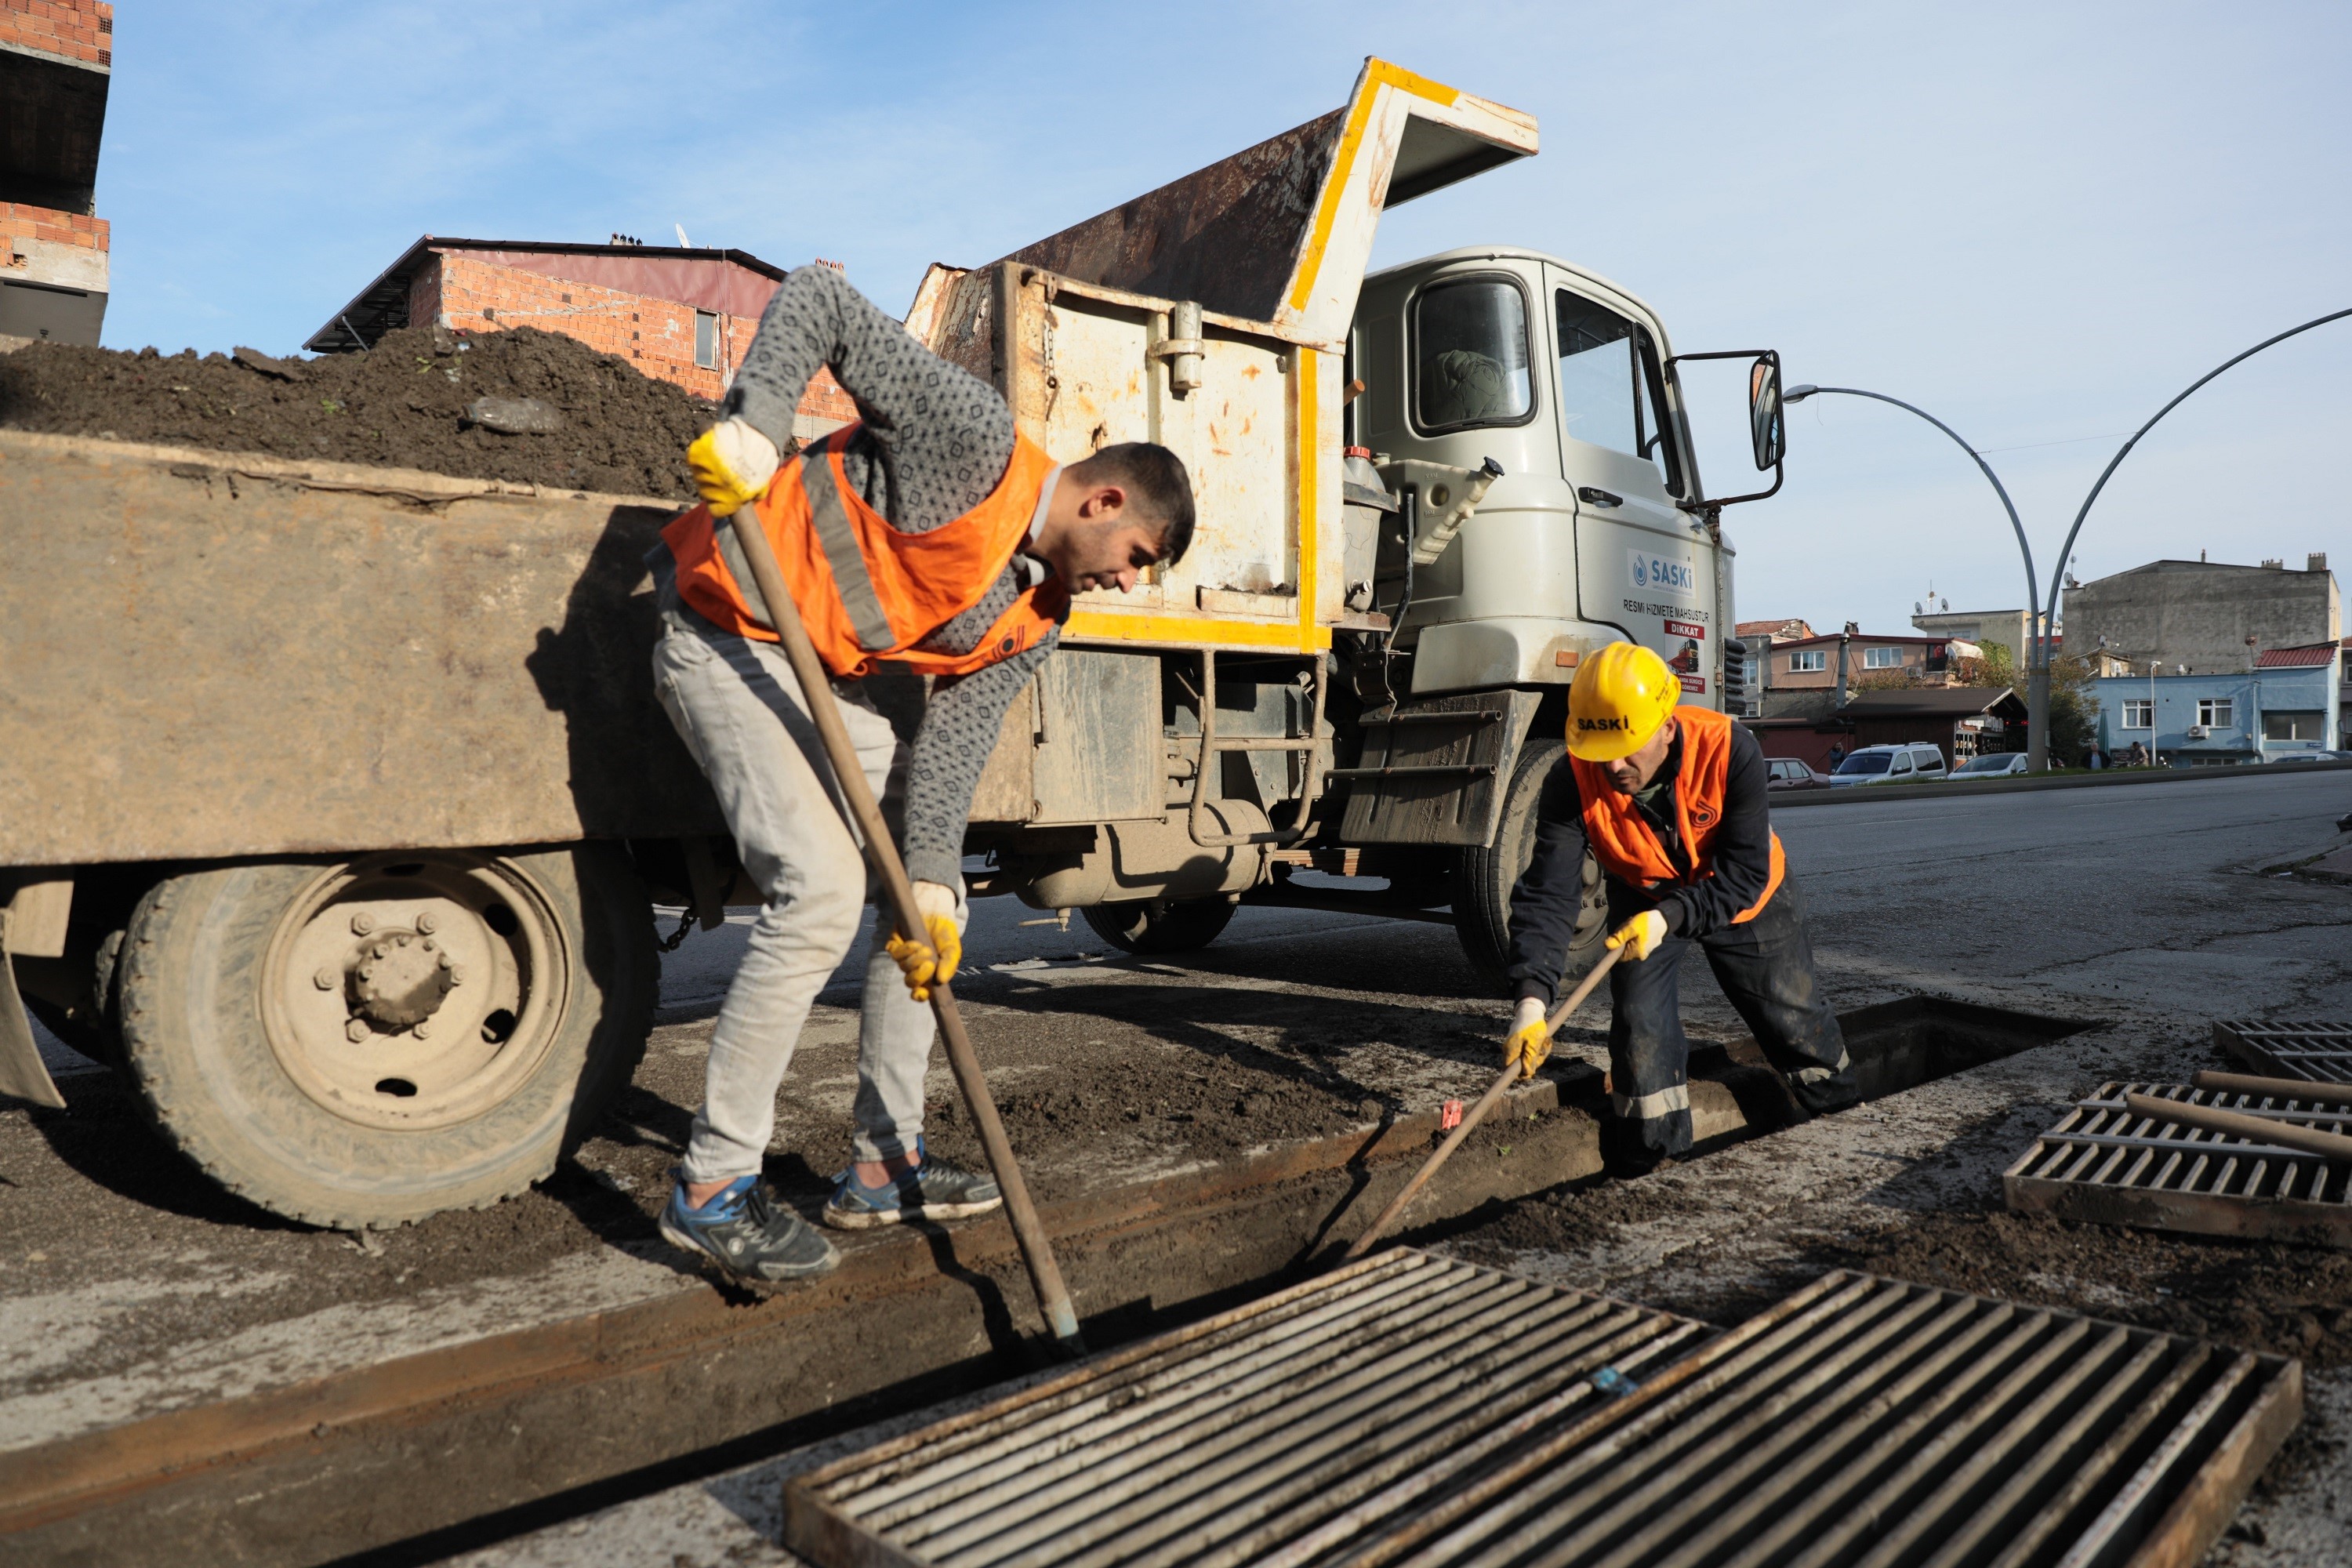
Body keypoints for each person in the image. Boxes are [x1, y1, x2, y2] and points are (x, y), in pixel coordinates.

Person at [647, 266, 1196, 1287]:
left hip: (826, 668)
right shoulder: (974, 439)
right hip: (724, 622)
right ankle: (711, 1190)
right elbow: (819, 300)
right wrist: (757, 425)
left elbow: (951, 748)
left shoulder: (1041, 616)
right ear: (1106, 498)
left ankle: (881, 1162)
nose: (1127, 581)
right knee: (815, 895)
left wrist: (936, 884)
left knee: (916, 907)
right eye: (1134, 555)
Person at [1499, 641, 1858, 1173]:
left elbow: (1744, 873)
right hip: (1644, 892)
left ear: (1667, 727)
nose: (1615, 766)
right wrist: (1531, 1005)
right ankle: (1657, 1160)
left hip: (1742, 898)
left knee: (1794, 1020)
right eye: (1602, 751)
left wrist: (1669, 918)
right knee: (1640, 1026)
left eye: (1628, 746)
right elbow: (1550, 895)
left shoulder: (1730, 748)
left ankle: (1845, 1121)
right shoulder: (1572, 778)